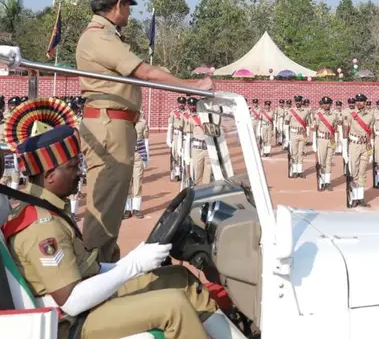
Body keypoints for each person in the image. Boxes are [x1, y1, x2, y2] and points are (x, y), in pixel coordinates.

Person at [1, 97, 240, 339]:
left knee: (181, 278)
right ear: (50, 175)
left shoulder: (47, 207)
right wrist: (133, 265)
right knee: (173, 306)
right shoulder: (42, 226)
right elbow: (72, 301)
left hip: (85, 303)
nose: (80, 173)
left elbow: (83, 268)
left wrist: (131, 261)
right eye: (73, 167)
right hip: (72, 322)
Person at [76, 0, 212, 263]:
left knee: (111, 204)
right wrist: (192, 86)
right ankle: (94, 271)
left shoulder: (108, 35)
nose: (128, 13)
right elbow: (145, 72)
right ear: (118, 5)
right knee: (105, 206)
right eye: (127, 6)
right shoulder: (99, 36)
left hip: (115, 125)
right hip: (108, 126)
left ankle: (105, 264)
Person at [346, 94, 375, 207]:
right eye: (357, 101)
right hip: (354, 145)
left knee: (362, 172)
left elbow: (371, 133)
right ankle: (353, 196)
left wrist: (370, 147)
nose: (359, 103)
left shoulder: (370, 116)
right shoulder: (350, 115)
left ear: (365, 102)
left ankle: (360, 197)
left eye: (361, 101)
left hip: (365, 145)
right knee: (354, 171)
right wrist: (345, 148)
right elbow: (346, 131)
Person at [124, 110, 149, 220]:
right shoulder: (124, 122)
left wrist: (146, 157)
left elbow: (146, 140)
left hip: (138, 155)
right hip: (126, 156)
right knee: (126, 182)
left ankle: (136, 208)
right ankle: (127, 209)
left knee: (137, 181)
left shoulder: (142, 123)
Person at [313, 97, 341, 192]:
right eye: (324, 104)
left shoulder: (335, 115)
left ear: (330, 104)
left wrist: (335, 138)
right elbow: (315, 129)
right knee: (322, 161)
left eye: (328, 104)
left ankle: (327, 182)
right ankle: (321, 181)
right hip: (321, 140)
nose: (326, 105)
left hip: (331, 140)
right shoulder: (318, 115)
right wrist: (314, 143)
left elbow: (336, 126)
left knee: (329, 161)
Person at [287, 95, 310, 178]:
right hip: (293, 134)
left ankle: (300, 171)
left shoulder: (306, 111)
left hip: (302, 134)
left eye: (299, 101)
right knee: (294, 153)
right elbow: (286, 123)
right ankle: (294, 171)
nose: (297, 103)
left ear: (301, 102)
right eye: (296, 101)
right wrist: (287, 137)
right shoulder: (291, 111)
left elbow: (307, 123)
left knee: (300, 153)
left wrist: (307, 134)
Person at [165, 97, 187, 182]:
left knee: (184, 154)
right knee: (175, 155)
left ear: (185, 104)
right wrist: (169, 138)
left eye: (183, 103)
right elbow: (170, 126)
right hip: (176, 135)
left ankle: (183, 173)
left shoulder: (187, 114)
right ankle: (176, 173)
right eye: (180, 103)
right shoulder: (174, 113)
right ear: (177, 103)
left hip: (184, 136)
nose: (181, 105)